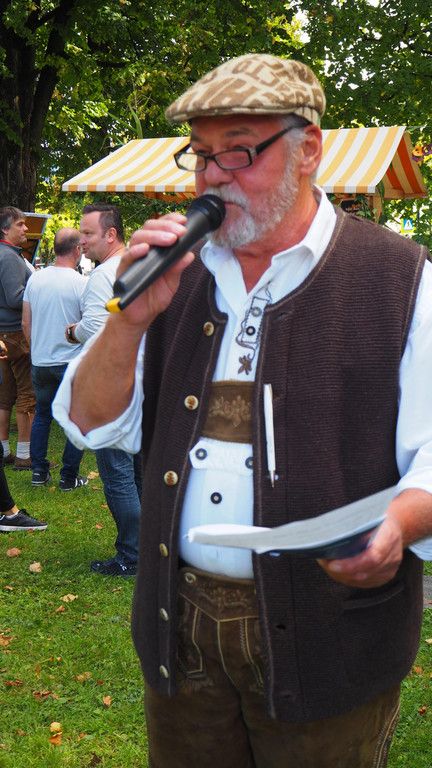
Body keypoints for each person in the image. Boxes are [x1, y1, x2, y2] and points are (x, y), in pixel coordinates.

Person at [53, 54, 432, 768]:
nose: (213, 176)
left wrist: (397, 527)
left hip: (329, 640)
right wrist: (131, 321)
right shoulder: (175, 272)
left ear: (308, 148)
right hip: (180, 634)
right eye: (200, 155)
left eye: (238, 151)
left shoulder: (400, 278)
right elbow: (91, 423)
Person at [64, 204, 142, 577]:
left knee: (117, 473)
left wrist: (73, 332)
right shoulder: (141, 265)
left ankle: (132, 554)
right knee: (140, 471)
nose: (82, 241)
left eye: (88, 233)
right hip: (143, 381)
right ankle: (150, 547)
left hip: (114, 385)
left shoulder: (102, 275)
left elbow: (96, 330)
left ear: (111, 235)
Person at [22, 227, 89, 490]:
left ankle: (39, 472)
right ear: (77, 250)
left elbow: (26, 322)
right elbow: (88, 325)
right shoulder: (81, 283)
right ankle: (68, 477)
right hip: (71, 361)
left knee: (42, 415)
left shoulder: (35, 279)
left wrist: (36, 349)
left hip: (41, 360)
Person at [0, 207, 36, 469]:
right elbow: (15, 298)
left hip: (3, 334)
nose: (25, 229)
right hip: (14, 332)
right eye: (20, 224)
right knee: (27, 393)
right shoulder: (10, 257)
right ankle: (25, 455)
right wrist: (39, 292)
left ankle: (3, 451)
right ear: (5, 229)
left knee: (4, 394)